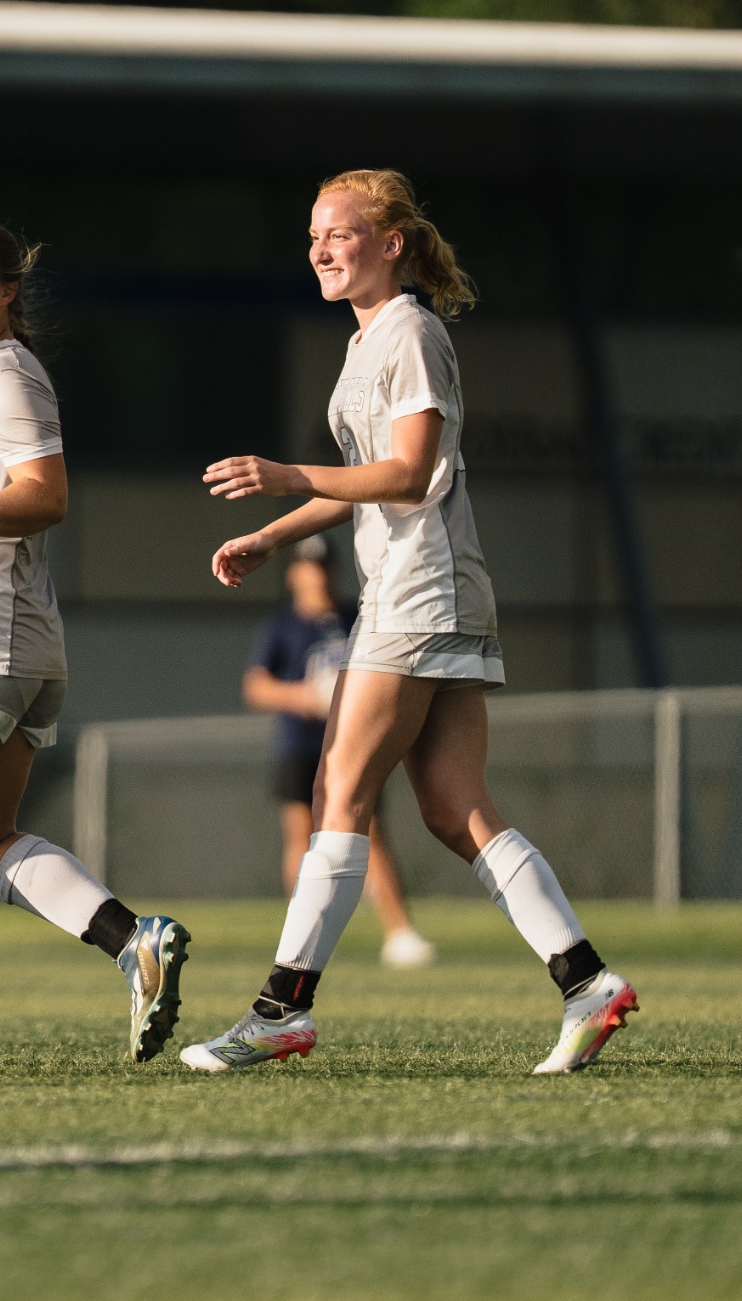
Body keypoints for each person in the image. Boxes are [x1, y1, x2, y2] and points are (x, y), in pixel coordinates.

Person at [185, 169, 637, 1075]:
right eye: (312, 233)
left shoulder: (412, 332)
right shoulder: (368, 343)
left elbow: (409, 473)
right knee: (452, 806)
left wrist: (287, 476)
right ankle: (588, 982)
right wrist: (274, 532)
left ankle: (282, 1009)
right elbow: (365, 479)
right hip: (431, 590)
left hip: (420, 591)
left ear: (391, 243)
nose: (319, 247)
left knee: (338, 792)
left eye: (339, 232)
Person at [0, 218, 189, 1068]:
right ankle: (135, 939)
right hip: (16, 644)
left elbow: (44, 495)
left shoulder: (7, 374)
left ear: (9, 289)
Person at [246, 533, 436, 968]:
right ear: (295, 574)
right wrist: (306, 697)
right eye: (310, 567)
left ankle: (399, 931)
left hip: (353, 743)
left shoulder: (355, 616)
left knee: (371, 834)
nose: (318, 576)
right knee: (300, 837)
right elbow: (256, 686)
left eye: (324, 567)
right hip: (300, 743)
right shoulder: (283, 626)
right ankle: (300, 938)